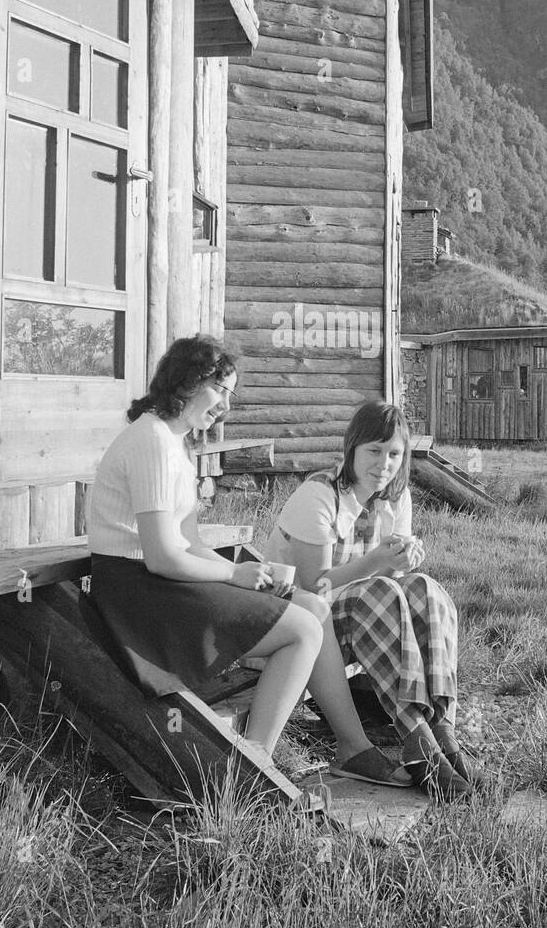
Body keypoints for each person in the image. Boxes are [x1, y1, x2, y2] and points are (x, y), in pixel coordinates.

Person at [86, 335, 409, 788]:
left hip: (162, 584)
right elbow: (161, 556)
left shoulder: (176, 445)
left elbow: (189, 543)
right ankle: (253, 767)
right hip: (139, 596)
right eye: (221, 391)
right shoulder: (152, 441)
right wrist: (233, 573)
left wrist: (249, 581)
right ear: (190, 381)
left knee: (313, 607)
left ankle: (352, 748)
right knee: (301, 631)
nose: (226, 407)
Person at [264, 400, 478, 800]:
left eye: (394, 454)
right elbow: (315, 587)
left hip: (354, 622)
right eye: (374, 451)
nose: (384, 464)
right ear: (352, 449)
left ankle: (443, 730)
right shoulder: (320, 495)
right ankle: (416, 736)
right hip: (295, 621)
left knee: (425, 588)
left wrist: (401, 561)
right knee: (380, 591)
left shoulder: (396, 499)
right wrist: (377, 561)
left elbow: (392, 585)